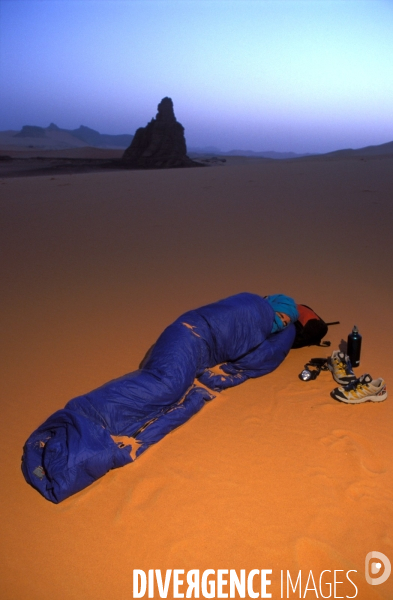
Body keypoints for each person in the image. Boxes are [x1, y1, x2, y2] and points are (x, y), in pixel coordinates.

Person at [22, 292, 298, 503]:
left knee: (166, 393)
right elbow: (251, 349)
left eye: (285, 324)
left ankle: (89, 437)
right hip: (189, 337)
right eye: (281, 317)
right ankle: (81, 420)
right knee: (165, 386)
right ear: (272, 305)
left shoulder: (255, 311)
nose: (280, 324)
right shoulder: (254, 306)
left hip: (194, 342)